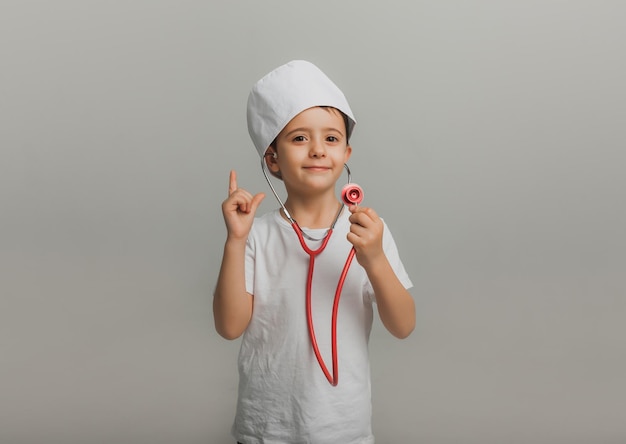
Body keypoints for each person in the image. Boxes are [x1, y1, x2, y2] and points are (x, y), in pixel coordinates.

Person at [213, 60, 415, 444]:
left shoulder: (369, 231)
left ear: (347, 153)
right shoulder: (256, 235)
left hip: (343, 429)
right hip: (265, 429)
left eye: (332, 139)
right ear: (272, 159)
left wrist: (373, 258)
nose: (319, 150)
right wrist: (235, 241)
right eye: (300, 138)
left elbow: (403, 326)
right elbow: (229, 327)